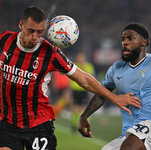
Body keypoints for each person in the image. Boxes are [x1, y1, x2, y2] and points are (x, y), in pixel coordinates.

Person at [0, 6, 141, 150]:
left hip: (38, 124)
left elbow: (83, 79)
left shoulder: (51, 53)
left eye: (40, 32)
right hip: (7, 122)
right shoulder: (4, 40)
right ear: (21, 25)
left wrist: (114, 97)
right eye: (31, 31)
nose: (35, 37)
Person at [78, 22, 151, 150]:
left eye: (130, 38)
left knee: (129, 148)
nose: (125, 43)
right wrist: (84, 116)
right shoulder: (115, 69)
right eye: (123, 39)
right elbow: (102, 95)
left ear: (143, 42)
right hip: (129, 133)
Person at [69, 52, 95, 132]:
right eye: (79, 57)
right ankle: (74, 126)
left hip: (84, 90)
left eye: (81, 58)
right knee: (75, 109)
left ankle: (85, 125)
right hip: (75, 90)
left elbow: (90, 75)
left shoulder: (88, 66)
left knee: (84, 108)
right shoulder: (74, 65)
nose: (80, 59)